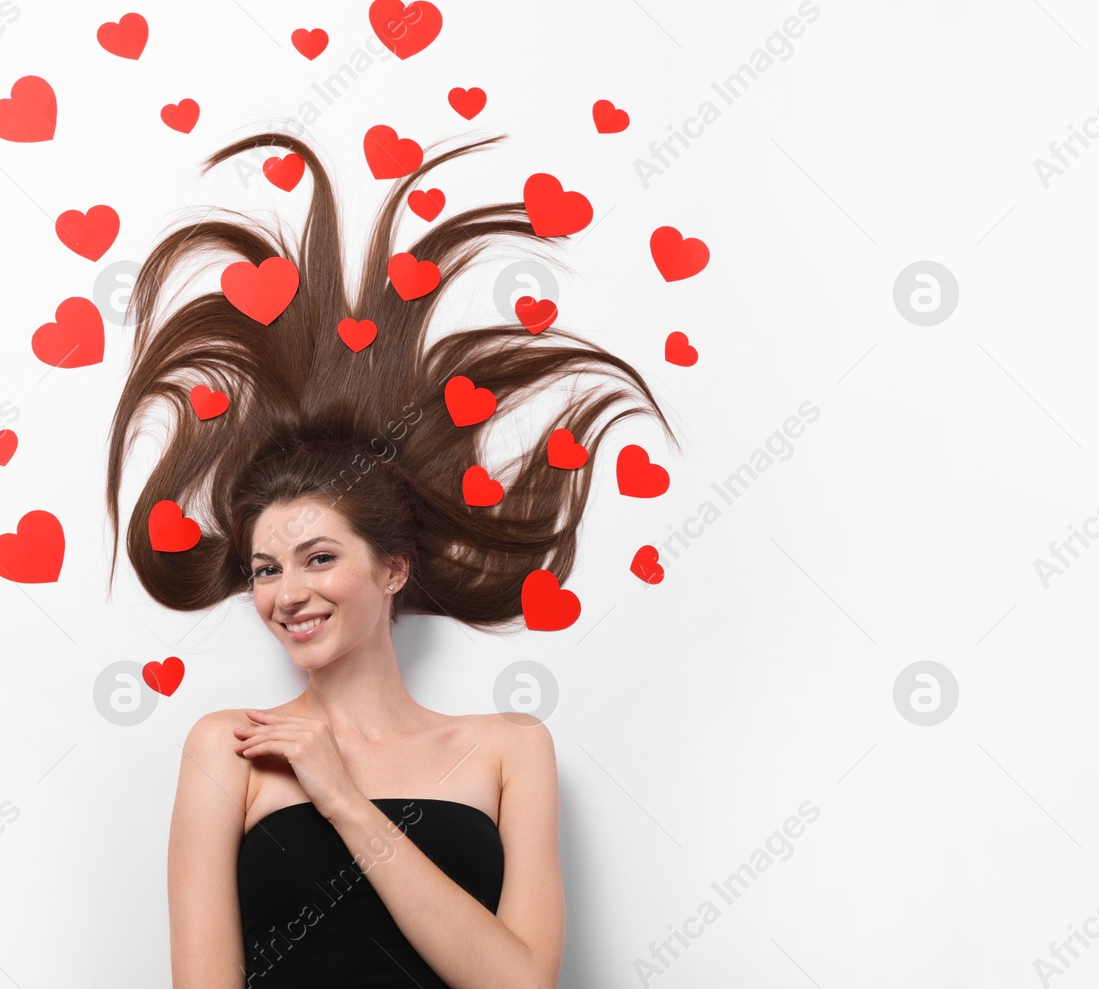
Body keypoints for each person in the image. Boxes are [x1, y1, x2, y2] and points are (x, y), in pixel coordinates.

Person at [103, 130, 676, 989]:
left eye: (318, 556)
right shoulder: (230, 749)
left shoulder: (508, 749)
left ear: (393, 568)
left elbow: (521, 984)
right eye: (265, 569)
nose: (287, 592)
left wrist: (340, 796)